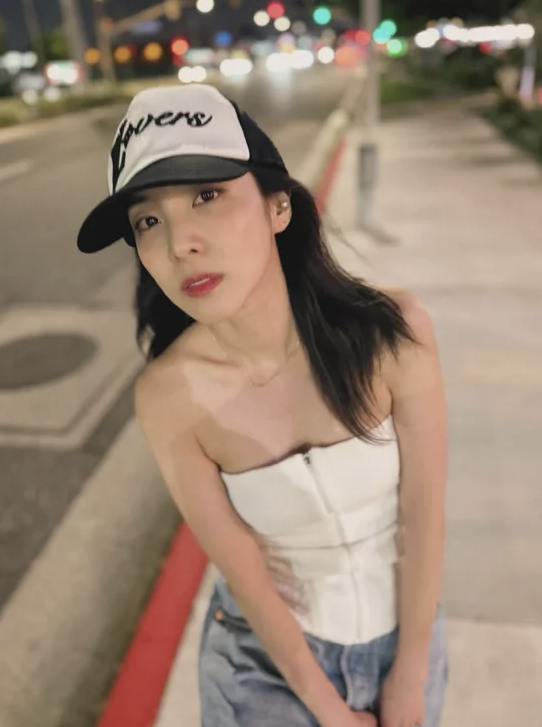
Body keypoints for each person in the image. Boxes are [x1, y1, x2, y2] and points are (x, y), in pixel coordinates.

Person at [77, 83, 448, 727]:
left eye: (207, 195)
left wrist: (410, 675)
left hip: (408, 643)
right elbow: (243, 569)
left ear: (279, 207)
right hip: (262, 666)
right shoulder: (168, 395)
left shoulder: (391, 329)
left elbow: (425, 513)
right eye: (148, 221)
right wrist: (329, 711)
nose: (180, 243)